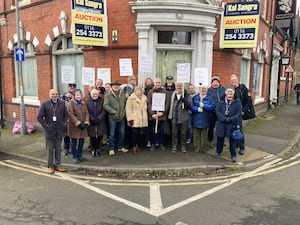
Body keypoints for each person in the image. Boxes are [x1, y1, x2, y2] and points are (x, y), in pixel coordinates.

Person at [37, 89, 67, 174]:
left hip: (59, 130)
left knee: (58, 149)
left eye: (56, 94)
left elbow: (66, 114)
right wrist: (46, 126)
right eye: (53, 94)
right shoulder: (45, 104)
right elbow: (39, 117)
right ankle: (50, 166)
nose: (55, 95)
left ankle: (57, 165)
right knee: (50, 150)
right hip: (49, 131)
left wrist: (64, 123)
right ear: (50, 95)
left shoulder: (61, 103)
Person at [215, 85, 242, 162]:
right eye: (228, 91)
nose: (229, 93)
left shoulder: (237, 101)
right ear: (225, 93)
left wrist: (231, 119)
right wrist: (223, 119)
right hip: (222, 123)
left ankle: (233, 155)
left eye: (231, 92)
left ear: (233, 93)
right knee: (220, 138)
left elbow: (238, 113)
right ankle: (218, 152)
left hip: (231, 123)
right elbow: (217, 110)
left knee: (232, 140)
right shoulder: (221, 101)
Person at [230, 74, 254, 155]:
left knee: (239, 130)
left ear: (238, 80)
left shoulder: (243, 88)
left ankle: (242, 147)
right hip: (232, 113)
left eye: (235, 80)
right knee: (232, 129)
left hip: (240, 113)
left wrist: (243, 110)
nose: (234, 81)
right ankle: (235, 144)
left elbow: (249, 100)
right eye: (232, 80)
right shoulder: (229, 89)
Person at [104, 80, 128, 156]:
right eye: (114, 85)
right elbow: (105, 106)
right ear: (112, 86)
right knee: (112, 134)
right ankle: (111, 149)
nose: (116, 87)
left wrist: (123, 112)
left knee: (122, 133)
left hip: (121, 117)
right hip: (112, 118)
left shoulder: (122, 94)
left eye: (117, 85)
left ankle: (120, 146)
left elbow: (125, 104)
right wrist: (114, 112)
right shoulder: (108, 95)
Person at [168, 82, 192, 153]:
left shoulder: (187, 95)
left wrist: (185, 101)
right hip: (174, 117)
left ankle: (183, 146)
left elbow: (190, 106)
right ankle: (174, 146)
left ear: (183, 86)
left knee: (183, 133)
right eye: (177, 86)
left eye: (180, 85)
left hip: (184, 117)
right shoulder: (173, 95)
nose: (179, 87)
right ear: (175, 87)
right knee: (174, 133)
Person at [147, 77, 170, 151]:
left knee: (161, 130)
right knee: (153, 130)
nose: (158, 84)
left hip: (162, 116)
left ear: (161, 83)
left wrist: (162, 113)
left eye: (159, 82)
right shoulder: (150, 92)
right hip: (153, 116)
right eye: (156, 82)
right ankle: (153, 144)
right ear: (154, 83)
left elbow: (167, 104)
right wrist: (152, 114)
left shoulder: (165, 92)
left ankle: (161, 143)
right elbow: (149, 103)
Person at [67, 89, 90, 163]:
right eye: (77, 95)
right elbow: (70, 114)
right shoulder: (71, 104)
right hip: (74, 126)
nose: (78, 96)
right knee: (74, 142)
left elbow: (87, 113)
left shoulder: (83, 103)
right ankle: (75, 156)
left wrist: (86, 122)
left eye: (80, 95)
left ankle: (80, 155)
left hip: (83, 126)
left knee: (81, 142)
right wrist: (77, 123)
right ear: (74, 96)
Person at [191, 86, 214, 153]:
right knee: (196, 135)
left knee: (204, 135)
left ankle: (203, 149)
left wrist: (204, 106)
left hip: (205, 118)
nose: (203, 90)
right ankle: (196, 148)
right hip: (196, 118)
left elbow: (212, 107)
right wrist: (197, 109)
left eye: (205, 89)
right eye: (202, 89)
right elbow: (191, 107)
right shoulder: (195, 97)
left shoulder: (209, 98)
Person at [125, 86, 148, 154]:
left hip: (142, 118)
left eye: (139, 91)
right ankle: (134, 146)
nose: (138, 92)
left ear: (141, 91)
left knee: (140, 133)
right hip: (135, 118)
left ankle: (138, 144)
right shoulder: (131, 98)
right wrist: (130, 119)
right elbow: (128, 109)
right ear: (134, 91)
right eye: (137, 91)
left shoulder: (144, 98)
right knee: (134, 133)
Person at [86, 89, 107, 157]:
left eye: (96, 94)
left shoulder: (101, 101)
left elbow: (103, 111)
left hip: (100, 121)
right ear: (91, 95)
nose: (95, 95)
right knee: (92, 137)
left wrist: (99, 118)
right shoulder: (87, 102)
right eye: (93, 94)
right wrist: (91, 118)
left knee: (100, 136)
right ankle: (93, 149)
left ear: (98, 95)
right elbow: (86, 112)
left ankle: (98, 149)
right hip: (92, 122)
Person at [207, 76, 225, 148]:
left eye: (216, 82)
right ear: (211, 83)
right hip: (213, 111)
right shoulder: (209, 90)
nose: (215, 83)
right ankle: (210, 140)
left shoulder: (222, 89)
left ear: (219, 83)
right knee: (211, 126)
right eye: (214, 82)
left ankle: (220, 141)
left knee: (221, 127)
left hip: (221, 111)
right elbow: (208, 100)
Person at [60, 83, 77, 156]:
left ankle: (74, 149)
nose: (72, 87)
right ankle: (66, 148)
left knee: (74, 134)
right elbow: (60, 106)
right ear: (67, 87)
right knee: (66, 134)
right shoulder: (63, 96)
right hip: (66, 118)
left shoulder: (77, 95)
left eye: (73, 86)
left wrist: (73, 98)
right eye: (70, 86)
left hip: (74, 118)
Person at [143, 77, 154, 147]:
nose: (148, 82)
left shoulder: (154, 90)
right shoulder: (143, 90)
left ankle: (153, 140)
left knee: (152, 127)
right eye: (147, 81)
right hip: (145, 111)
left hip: (153, 110)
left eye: (150, 81)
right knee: (147, 128)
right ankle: (148, 141)